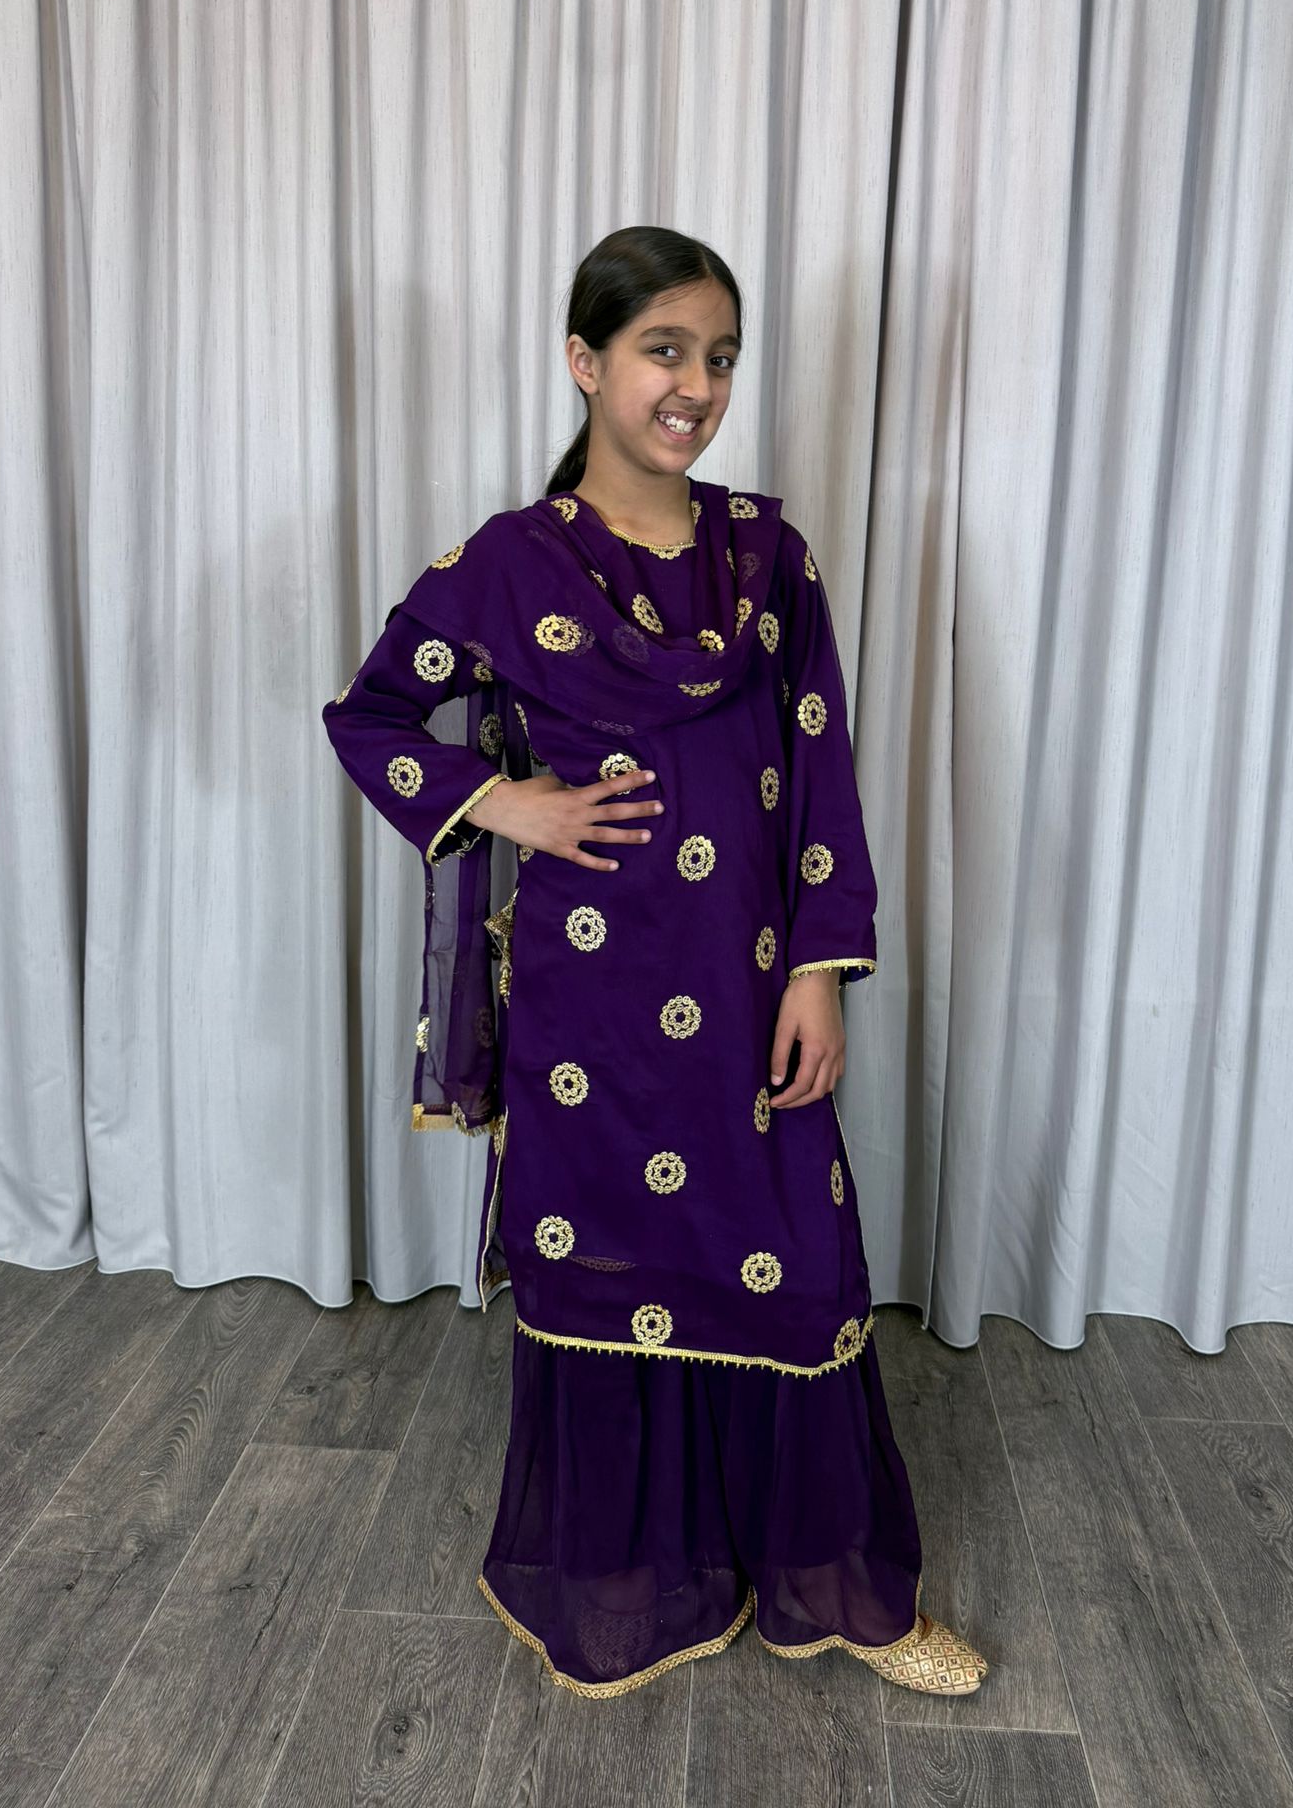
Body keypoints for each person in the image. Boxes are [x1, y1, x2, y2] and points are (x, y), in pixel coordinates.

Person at [323, 225, 990, 1700]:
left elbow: (821, 774)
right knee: (606, 1270)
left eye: (721, 357)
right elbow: (370, 717)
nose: (696, 386)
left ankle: (845, 1591)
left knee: (799, 1263)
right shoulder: (509, 566)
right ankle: (628, 1577)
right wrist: (507, 802)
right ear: (586, 361)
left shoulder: (769, 559)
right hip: (594, 1010)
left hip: (751, 988)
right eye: (663, 351)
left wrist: (818, 970)